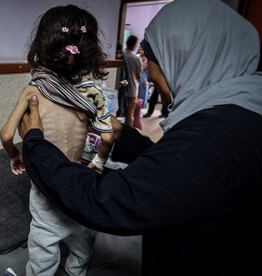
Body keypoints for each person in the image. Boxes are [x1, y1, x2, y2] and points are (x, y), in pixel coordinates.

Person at [18, 0, 262, 275]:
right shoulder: (241, 110)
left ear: (184, 55)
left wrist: (34, 144)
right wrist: (122, 134)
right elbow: (175, 165)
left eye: (150, 58)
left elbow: (110, 200)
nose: (145, 71)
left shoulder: (218, 134)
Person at [0, 5, 120, 276]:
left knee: (43, 245)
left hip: (47, 188)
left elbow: (7, 134)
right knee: (82, 242)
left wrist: (13, 156)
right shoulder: (89, 95)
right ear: (88, 53)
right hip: (77, 182)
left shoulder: (34, 90)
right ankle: (76, 271)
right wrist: (99, 162)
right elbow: (108, 137)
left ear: (42, 46)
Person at [118, 35, 142, 127]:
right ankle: (128, 133)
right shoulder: (136, 59)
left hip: (121, 88)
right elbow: (138, 76)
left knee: (119, 111)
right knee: (130, 113)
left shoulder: (121, 56)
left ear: (127, 43)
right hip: (132, 90)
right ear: (135, 45)